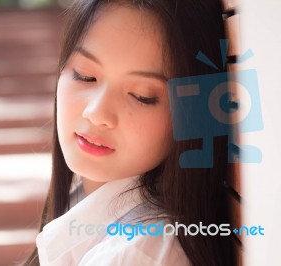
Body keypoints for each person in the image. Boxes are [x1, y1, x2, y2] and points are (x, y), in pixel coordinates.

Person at [25, 0, 236, 265]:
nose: (96, 113)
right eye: (84, 75)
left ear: (192, 114)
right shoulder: (88, 209)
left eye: (141, 96)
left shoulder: (136, 253)